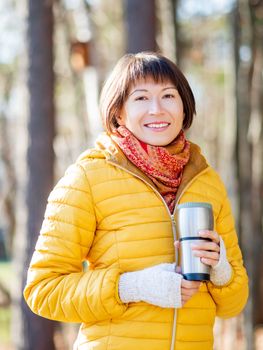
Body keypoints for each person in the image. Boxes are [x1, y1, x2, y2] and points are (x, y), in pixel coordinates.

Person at [24, 52, 248, 350]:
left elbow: (233, 304)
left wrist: (220, 269)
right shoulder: (88, 177)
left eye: (168, 95)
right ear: (118, 112)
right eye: (141, 98)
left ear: (183, 107)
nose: (157, 109)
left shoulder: (208, 183)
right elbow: (43, 290)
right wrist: (132, 287)